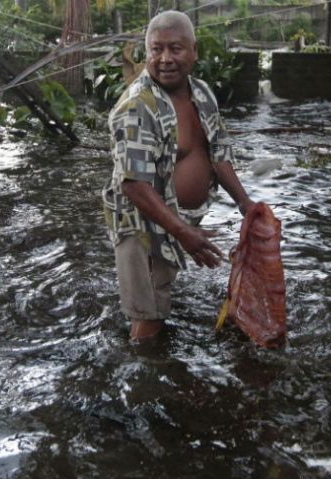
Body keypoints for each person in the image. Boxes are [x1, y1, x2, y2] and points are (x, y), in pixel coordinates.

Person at [101, 10, 254, 340]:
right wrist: (184, 233)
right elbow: (134, 185)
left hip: (178, 221)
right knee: (149, 314)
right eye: (156, 49)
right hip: (141, 225)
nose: (165, 59)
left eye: (176, 48)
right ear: (147, 52)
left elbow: (218, 155)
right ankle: (144, 375)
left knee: (160, 293)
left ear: (194, 51)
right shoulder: (137, 107)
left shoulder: (202, 94)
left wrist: (245, 203)